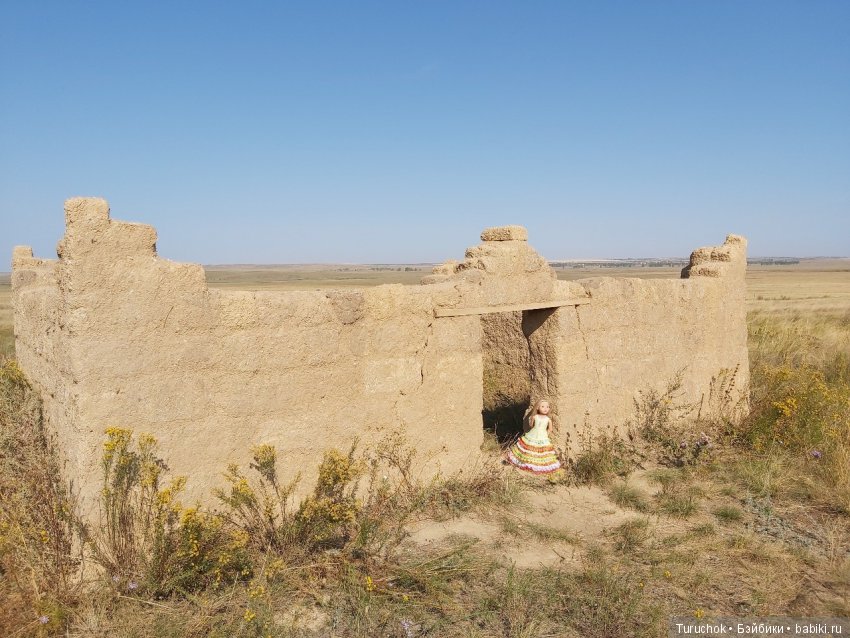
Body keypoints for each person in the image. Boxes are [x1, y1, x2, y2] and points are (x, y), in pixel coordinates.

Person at [505, 399, 562, 474]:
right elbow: (531, 425)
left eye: (547, 407)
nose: (545, 409)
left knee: (541, 451)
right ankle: (526, 462)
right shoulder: (535, 417)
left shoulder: (548, 419)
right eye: (543, 406)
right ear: (537, 408)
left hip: (543, 436)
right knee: (529, 448)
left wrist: (545, 435)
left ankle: (537, 464)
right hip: (532, 434)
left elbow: (550, 429)